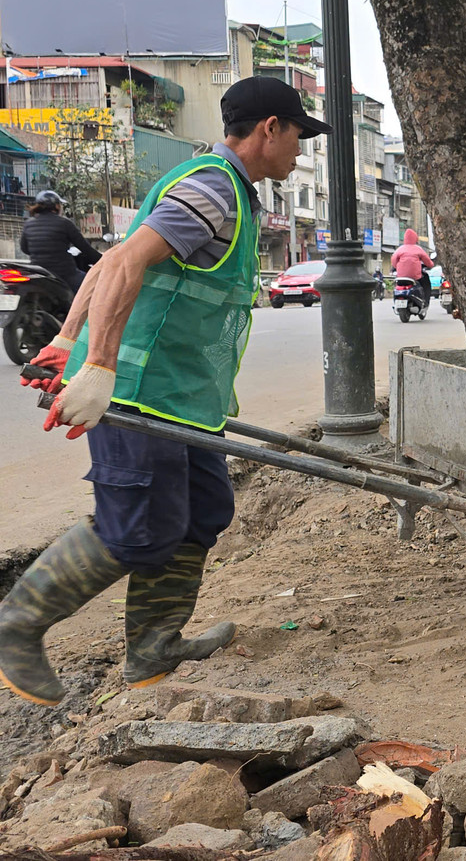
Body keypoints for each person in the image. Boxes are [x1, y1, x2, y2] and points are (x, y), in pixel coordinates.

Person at [0, 76, 330, 707]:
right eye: (297, 136)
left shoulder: (223, 187)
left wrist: (68, 339)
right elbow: (123, 265)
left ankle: (154, 648)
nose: (299, 152)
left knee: (203, 513)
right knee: (138, 529)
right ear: (269, 128)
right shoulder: (212, 188)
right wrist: (96, 366)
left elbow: (109, 259)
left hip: (183, 398)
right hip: (139, 392)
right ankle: (15, 627)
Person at [20, 190, 102, 296]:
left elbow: (24, 249)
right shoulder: (64, 223)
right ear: (57, 206)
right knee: (92, 286)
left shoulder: (28, 224)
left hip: (38, 272)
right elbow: (85, 248)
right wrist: (102, 260)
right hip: (64, 272)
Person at [391, 228, 434, 308]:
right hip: (415, 277)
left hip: (401, 277)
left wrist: (397, 267)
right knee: (426, 281)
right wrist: (431, 265)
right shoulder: (418, 249)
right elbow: (428, 262)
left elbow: (393, 261)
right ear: (415, 239)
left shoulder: (399, 249)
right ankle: (425, 302)